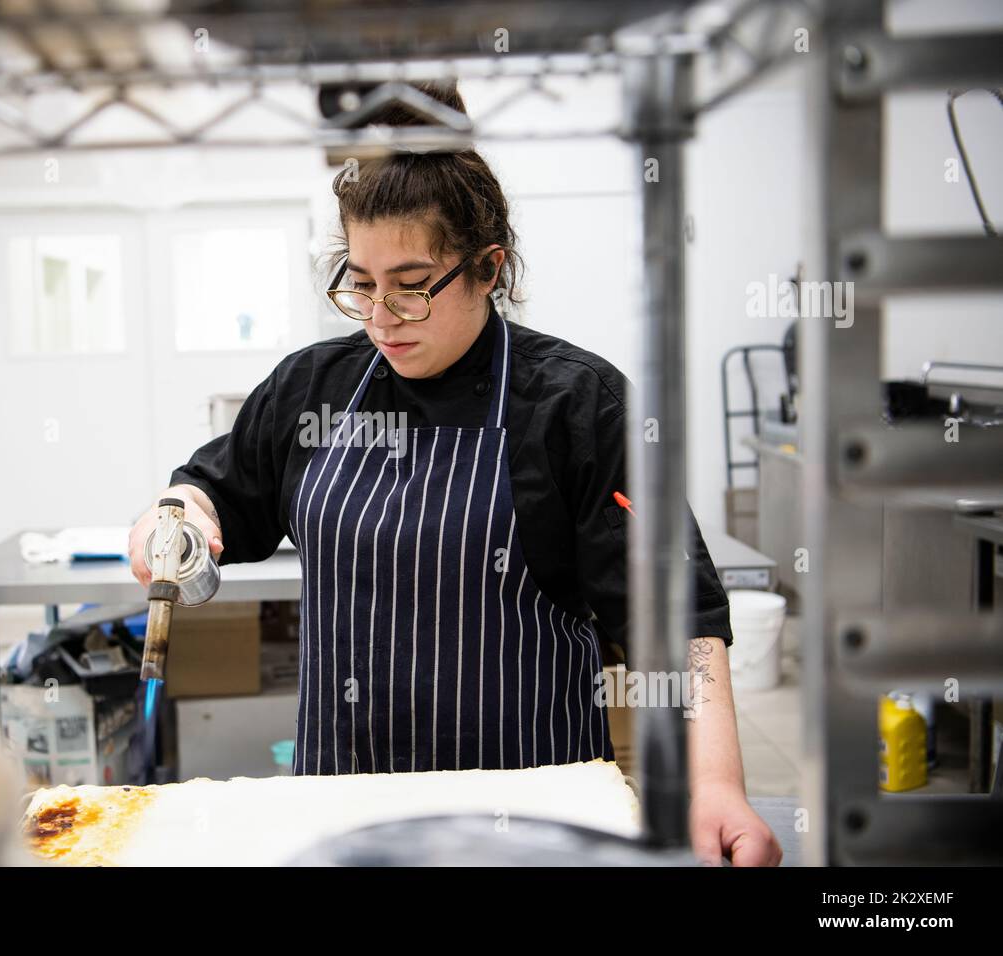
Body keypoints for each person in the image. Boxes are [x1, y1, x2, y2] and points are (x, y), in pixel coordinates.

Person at [130, 82, 781, 865]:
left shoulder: (576, 403)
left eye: (410, 288)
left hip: (532, 814)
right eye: (361, 283)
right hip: (344, 809)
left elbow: (678, 623)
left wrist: (715, 786)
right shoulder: (313, 388)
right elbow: (215, 491)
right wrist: (176, 514)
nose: (379, 318)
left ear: (486, 267)